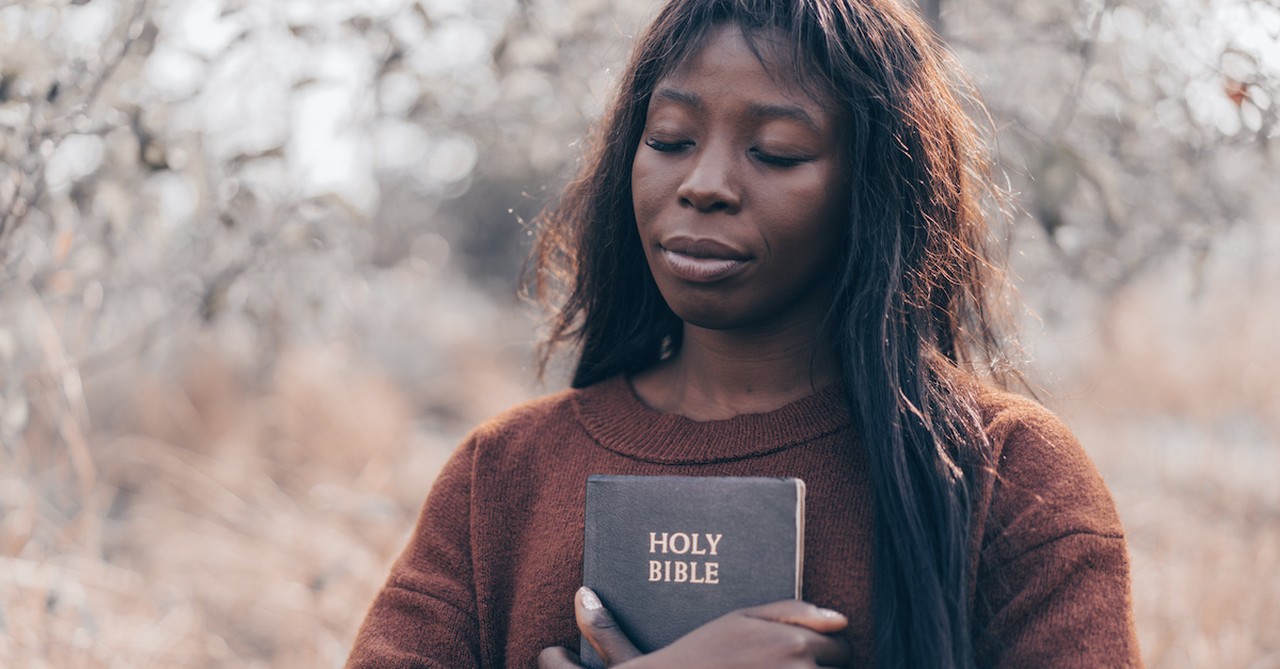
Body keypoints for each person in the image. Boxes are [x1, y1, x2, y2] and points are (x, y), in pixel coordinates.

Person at [346, 0, 1142, 667]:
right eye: (670, 140)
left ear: (873, 188)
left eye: (776, 151)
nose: (704, 184)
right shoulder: (503, 478)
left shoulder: (1007, 475)